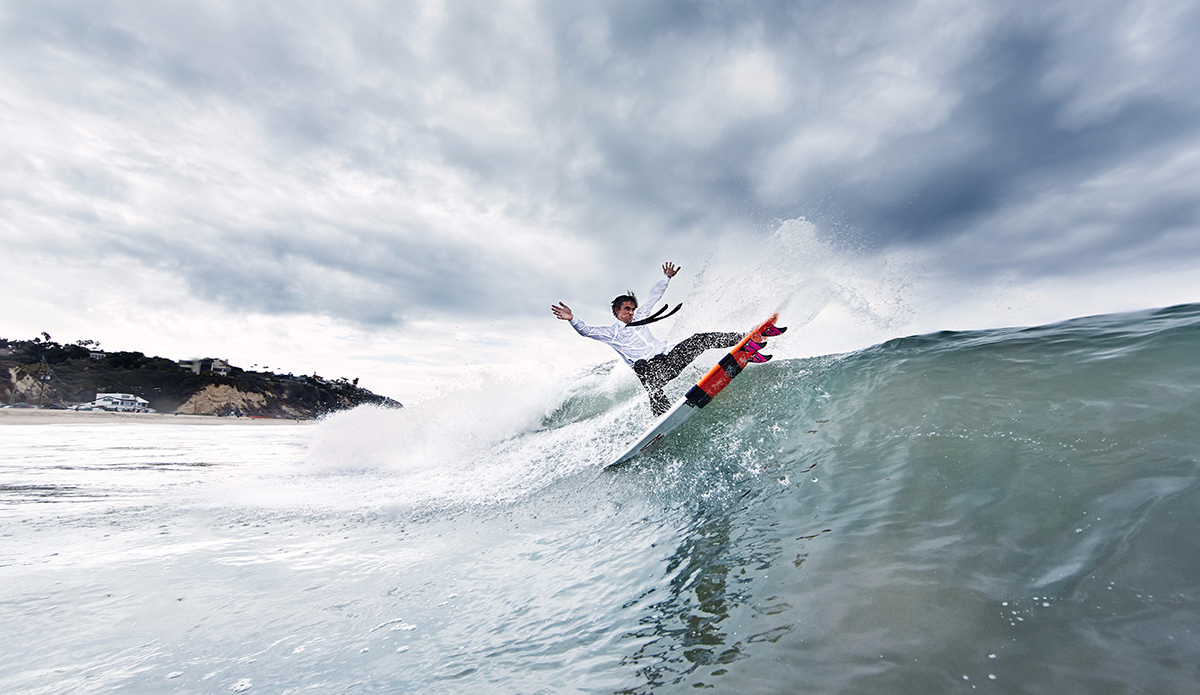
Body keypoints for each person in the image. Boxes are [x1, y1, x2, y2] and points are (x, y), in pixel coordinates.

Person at [552, 262, 743, 417]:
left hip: (669, 359)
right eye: (627, 309)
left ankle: (742, 339)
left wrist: (666, 278)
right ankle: (663, 413)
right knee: (641, 366)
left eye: (632, 309)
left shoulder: (640, 316)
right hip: (652, 372)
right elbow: (586, 331)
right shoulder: (611, 333)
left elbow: (654, 297)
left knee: (699, 339)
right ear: (617, 311)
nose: (631, 312)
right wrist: (572, 318)